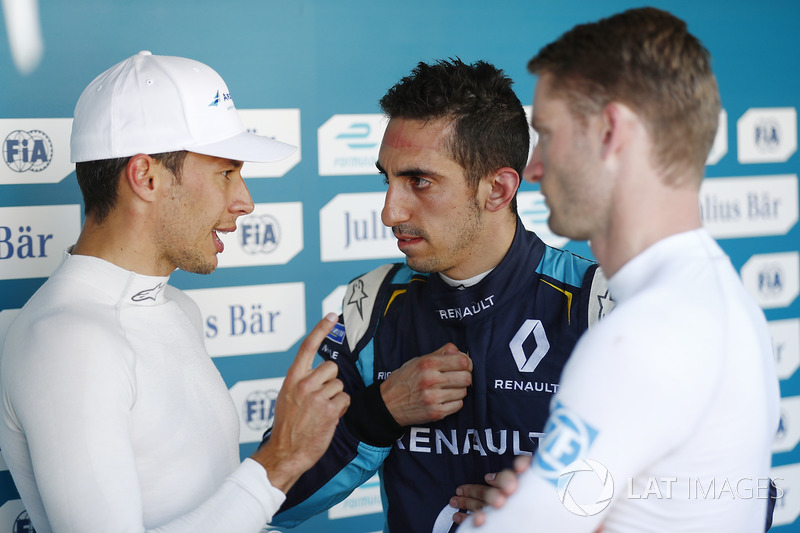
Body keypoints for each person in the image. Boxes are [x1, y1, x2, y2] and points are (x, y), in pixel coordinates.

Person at [458, 7, 781, 532]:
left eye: (547, 132)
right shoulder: (718, 296)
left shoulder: (646, 334)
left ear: (610, 131)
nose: (533, 168)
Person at [0, 51, 350, 533]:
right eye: (226, 173)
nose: (245, 201)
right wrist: (279, 463)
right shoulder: (66, 341)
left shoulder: (176, 308)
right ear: (145, 177)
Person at [269, 58, 611, 533]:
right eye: (386, 180)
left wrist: (572, 507)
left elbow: (727, 488)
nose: (390, 211)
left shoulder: (596, 307)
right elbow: (271, 501)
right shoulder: (372, 304)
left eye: (419, 181)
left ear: (498, 189)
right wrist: (378, 413)